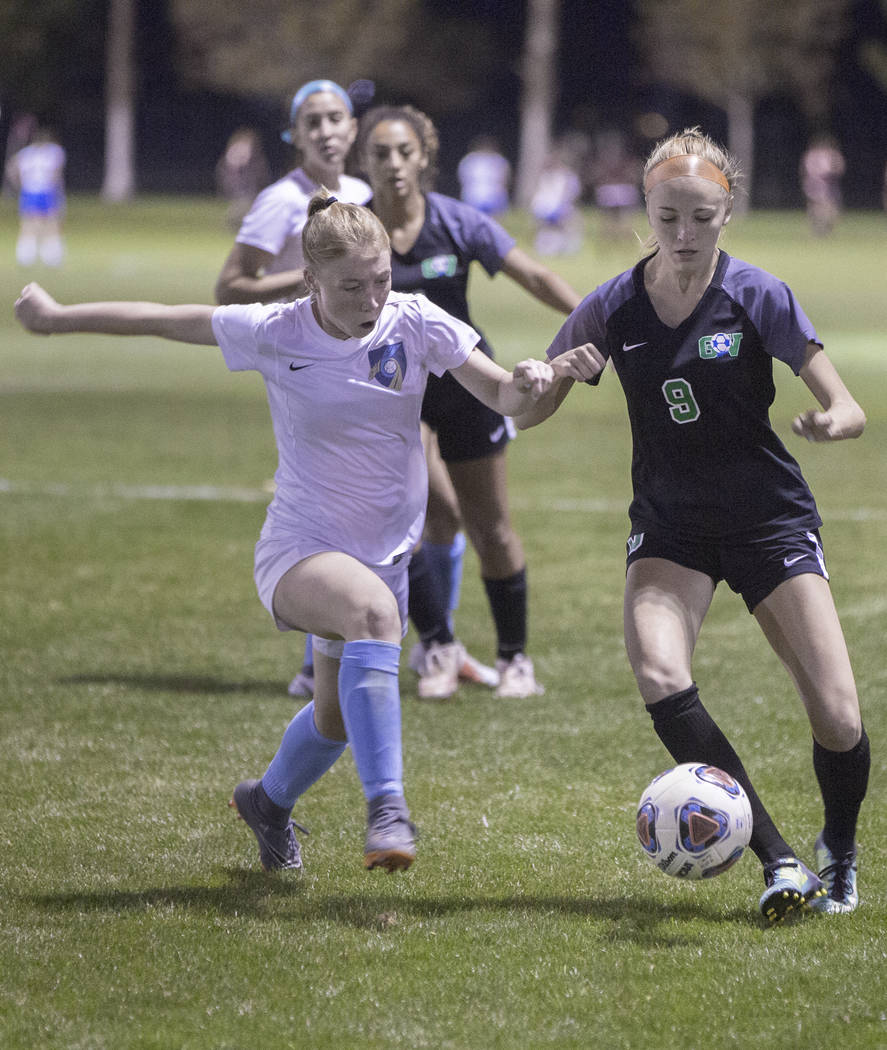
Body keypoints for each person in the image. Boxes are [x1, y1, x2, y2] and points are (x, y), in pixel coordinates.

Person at [14, 191, 555, 875]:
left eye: (382, 278)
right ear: (310, 281)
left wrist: (531, 379)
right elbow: (163, 320)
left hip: (381, 555)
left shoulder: (414, 322)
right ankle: (387, 807)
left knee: (332, 721)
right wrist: (58, 319)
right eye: (350, 285)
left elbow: (503, 395)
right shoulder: (277, 329)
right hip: (300, 549)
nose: (370, 297)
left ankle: (266, 802)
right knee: (375, 615)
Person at [515, 128, 869, 923]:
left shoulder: (758, 296)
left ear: (725, 212)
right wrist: (549, 376)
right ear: (646, 206)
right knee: (659, 673)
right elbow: (525, 409)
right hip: (671, 527)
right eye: (666, 215)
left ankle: (837, 847)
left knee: (838, 716)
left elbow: (846, 405)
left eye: (699, 218)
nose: (680, 235)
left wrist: (829, 423)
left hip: (767, 521)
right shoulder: (612, 303)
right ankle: (776, 858)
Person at [358, 104, 583, 700]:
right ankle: (437, 647)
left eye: (405, 152)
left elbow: (532, 275)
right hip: (390, 391)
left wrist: (598, 320)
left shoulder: (457, 223)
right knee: (412, 518)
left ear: (425, 157)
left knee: (491, 527)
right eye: (380, 153)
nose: (394, 164)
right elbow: (312, 284)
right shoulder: (353, 229)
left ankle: (514, 660)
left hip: (467, 384)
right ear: (365, 161)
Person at [215, 79, 372, 699]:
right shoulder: (281, 201)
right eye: (313, 122)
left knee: (392, 504)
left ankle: (412, 644)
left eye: (337, 118)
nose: (327, 130)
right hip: (307, 367)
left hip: (366, 363)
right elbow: (230, 287)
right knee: (339, 508)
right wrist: (315, 279)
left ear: (353, 127)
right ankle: (329, 659)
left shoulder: (361, 195)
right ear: (295, 135)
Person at [5, 125, 66, 267]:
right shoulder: (54, 152)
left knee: (29, 224)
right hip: (46, 191)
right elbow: (57, 174)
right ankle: (52, 258)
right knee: (50, 223)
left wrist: (19, 184)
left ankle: (26, 257)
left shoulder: (25, 153)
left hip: (29, 192)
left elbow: (11, 167)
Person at [530, 142, 584, 256]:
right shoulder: (563, 176)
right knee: (568, 223)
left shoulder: (548, 175)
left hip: (547, 207)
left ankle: (552, 246)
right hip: (553, 207)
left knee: (559, 225)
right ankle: (563, 247)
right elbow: (570, 194)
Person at [215, 127, 270, 230]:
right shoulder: (243, 147)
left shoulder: (237, 147)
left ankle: (237, 223)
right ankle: (235, 223)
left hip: (236, 177)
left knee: (244, 202)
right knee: (243, 201)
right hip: (238, 178)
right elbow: (236, 165)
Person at [799, 135, 845, 236]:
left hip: (828, 183)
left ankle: (824, 226)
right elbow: (808, 169)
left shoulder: (831, 155)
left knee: (830, 207)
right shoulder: (815, 155)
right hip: (819, 183)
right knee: (819, 206)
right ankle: (819, 227)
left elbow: (840, 169)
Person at [457, 136, 511, 216]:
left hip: (494, 196)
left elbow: (505, 179)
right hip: (474, 195)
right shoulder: (470, 159)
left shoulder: (498, 160)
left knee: (493, 222)